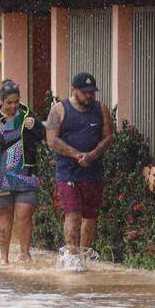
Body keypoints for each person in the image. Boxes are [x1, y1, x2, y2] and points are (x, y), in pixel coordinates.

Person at [0, 79, 46, 264]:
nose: (13, 106)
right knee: (4, 216)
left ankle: (24, 255)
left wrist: (35, 126)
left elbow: (42, 136)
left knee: (25, 213)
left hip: (25, 175)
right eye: (9, 103)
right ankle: (4, 259)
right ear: (2, 102)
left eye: (16, 101)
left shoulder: (27, 114)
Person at [46, 72, 114, 269]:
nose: (89, 96)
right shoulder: (56, 111)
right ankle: (71, 254)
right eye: (85, 93)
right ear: (74, 90)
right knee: (73, 213)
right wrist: (76, 155)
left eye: (92, 92)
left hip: (93, 172)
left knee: (90, 216)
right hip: (68, 172)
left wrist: (92, 155)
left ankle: (84, 255)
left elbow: (108, 137)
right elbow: (51, 141)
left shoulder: (102, 109)